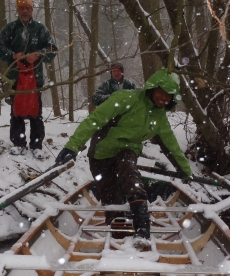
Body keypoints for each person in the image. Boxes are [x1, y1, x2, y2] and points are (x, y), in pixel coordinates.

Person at [55, 68, 192, 249]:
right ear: (152, 89)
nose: (163, 99)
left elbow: (172, 146)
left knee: (130, 173)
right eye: (161, 93)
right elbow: (94, 120)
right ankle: (118, 243)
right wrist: (72, 146)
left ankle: (143, 229)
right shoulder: (125, 99)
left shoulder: (160, 118)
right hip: (101, 153)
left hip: (127, 151)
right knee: (112, 202)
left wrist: (185, 171)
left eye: (168, 96)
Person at [0, 0, 57, 159]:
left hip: (36, 79)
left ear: (31, 10)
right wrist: (13, 55)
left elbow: (52, 49)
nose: (25, 11)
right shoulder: (11, 29)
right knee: (16, 113)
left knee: (36, 113)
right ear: (18, 10)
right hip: (15, 78)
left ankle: (36, 145)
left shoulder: (40, 29)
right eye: (22, 8)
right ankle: (19, 144)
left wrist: (38, 54)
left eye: (27, 8)